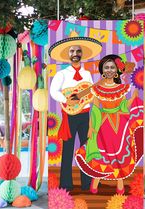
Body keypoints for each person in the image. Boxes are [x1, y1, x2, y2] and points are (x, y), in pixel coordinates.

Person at [75, 54, 144, 194]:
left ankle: (120, 181)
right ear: (102, 70)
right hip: (103, 124)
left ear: (117, 70)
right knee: (102, 154)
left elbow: (124, 106)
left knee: (119, 154)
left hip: (120, 124)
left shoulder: (122, 88)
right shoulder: (97, 89)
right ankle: (96, 180)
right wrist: (91, 127)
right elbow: (94, 109)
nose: (109, 70)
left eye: (112, 67)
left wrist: (135, 96)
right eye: (106, 67)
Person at [49, 33, 102, 191]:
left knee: (86, 149)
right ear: (68, 54)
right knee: (68, 149)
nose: (75, 54)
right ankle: (66, 183)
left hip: (85, 115)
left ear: (82, 54)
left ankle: (87, 183)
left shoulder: (87, 75)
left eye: (78, 51)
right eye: (72, 51)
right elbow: (53, 91)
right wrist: (66, 100)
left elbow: (91, 93)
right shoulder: (62, 74)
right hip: (70, 116)